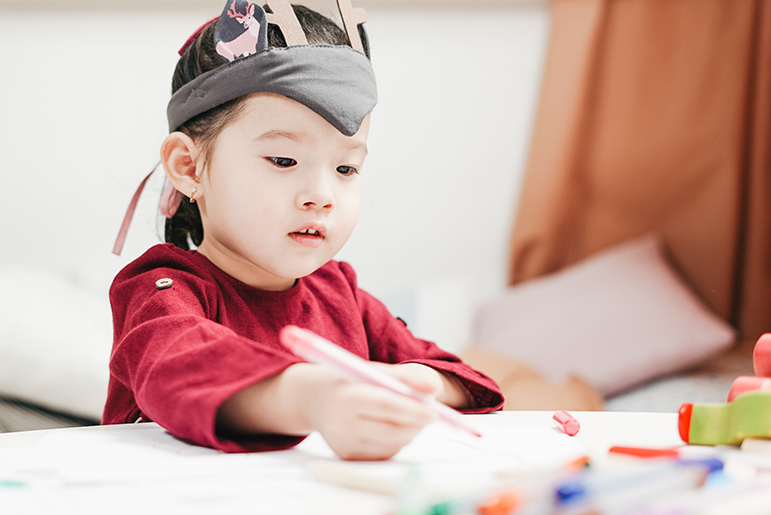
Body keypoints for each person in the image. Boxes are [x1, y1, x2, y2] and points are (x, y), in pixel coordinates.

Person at [104, 0, 503, 461]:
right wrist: (314, 398)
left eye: (346, 168)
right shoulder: (160, 289)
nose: (321, 194)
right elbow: (177, 367)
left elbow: (467, 381)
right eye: (284, 161)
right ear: (188, 166)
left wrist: (409, 385)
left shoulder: (340, 292)